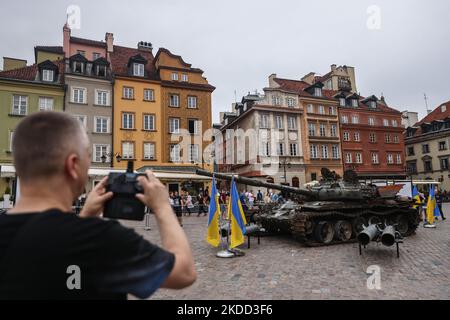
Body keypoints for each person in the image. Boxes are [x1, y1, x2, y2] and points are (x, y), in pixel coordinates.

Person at [0, 112, 196, 299]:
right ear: (73, 165)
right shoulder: (101, 238)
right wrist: (162, 206)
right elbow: (183, 272)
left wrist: (85, 216)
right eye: (89, 156)